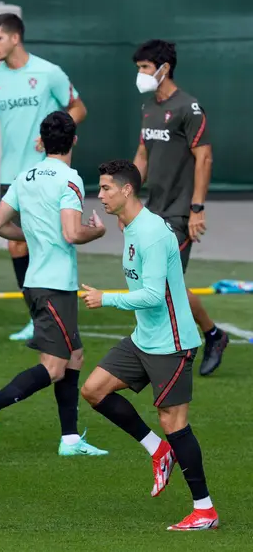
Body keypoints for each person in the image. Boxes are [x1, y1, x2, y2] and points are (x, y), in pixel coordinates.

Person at [80, 159, 218, 531]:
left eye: (106, 188)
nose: (100, 195)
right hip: (144, 339)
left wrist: (106, 298)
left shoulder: (153, 234)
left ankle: (204, 510)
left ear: (127, 190)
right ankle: (158, 450)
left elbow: (155, 295)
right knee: (93, 390)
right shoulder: (130, 226)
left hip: (171, 343)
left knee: (174, 422)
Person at [0, 111, 108, 456]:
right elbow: (72, 233)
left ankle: (70, 439)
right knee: (54, 367)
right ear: (74, 140)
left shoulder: (24, 176)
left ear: (41, 142)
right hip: (54, 284)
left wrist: (32, 235)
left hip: (36, 282)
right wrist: (97, 231)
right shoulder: (70, 179)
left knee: (74, 356)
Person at [0, 12, 88, 342]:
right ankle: (37, 317)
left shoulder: (49, 73)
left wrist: (55, 128)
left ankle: (62, 313)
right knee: (17, 244)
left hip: (51, 172)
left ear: (15, 38)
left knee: (55, 239)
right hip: (14, 176)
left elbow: (78, 108)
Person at [131, 39, 228, 376]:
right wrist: (128, 199)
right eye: (139, 68)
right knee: (157, 283)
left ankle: (200, 339)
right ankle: (211, 336)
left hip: (179, 212)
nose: (140, 74)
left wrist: (196, 208)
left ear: (164, 68)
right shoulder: (148, 108)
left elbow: (205, 158)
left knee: (163, 283)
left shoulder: (189, 107)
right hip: (152, 210)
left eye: (145, 68)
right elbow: (142, 156)